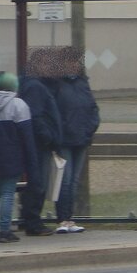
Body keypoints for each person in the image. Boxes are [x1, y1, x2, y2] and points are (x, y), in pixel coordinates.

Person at [0, 71, 37, 243]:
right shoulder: (18, 105)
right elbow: (26, 136)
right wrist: (31, 161)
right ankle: (5, 231)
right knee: (8, 193)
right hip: (12, 156)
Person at [47, 47, 100, 233]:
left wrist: (90, 128)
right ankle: (62, 218)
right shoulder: (55, 84)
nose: (74, 65)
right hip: (64, 140)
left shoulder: (82, 83)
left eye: (76, 61)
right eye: (70, 61)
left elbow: (92, 107)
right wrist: (58, 133)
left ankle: (69, 218)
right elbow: (52, 111)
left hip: (82, 138)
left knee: (74, 181)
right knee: (65, 180)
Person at [17, 48, 64, 236]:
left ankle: (30, 219)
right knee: (38, 182)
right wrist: (48, 136)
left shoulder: (38, 84)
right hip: (38, 143)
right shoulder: (35, 86)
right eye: (46, 64)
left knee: (37, 182)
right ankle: (32, 222)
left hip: (38, 141)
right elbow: (35, 115)